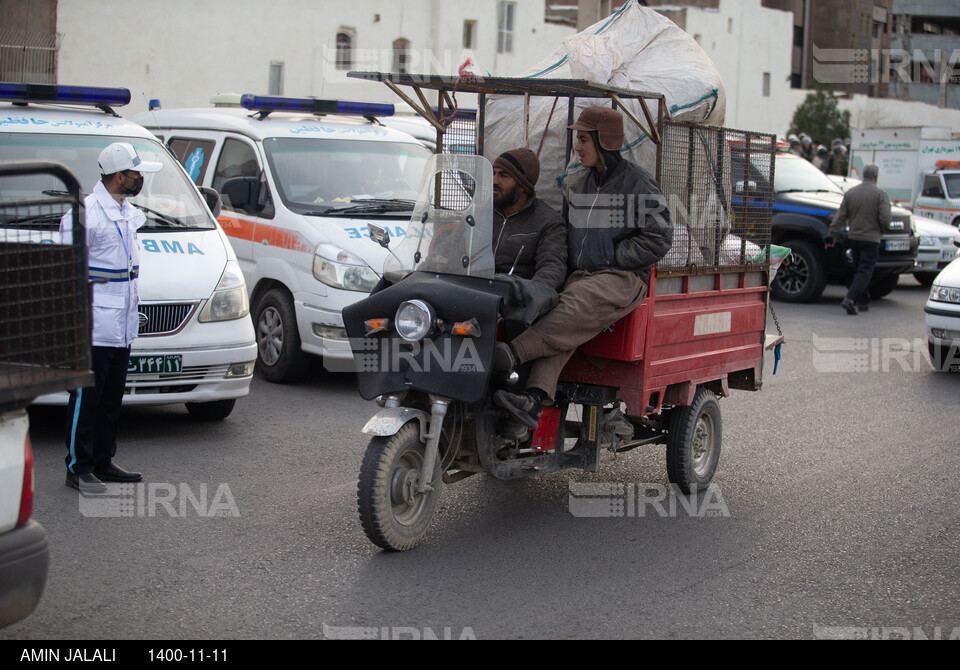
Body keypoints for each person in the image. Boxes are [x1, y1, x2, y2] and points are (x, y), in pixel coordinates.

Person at [493, 107, 673, 438]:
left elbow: (660, 236)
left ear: (605, 141)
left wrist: (617, 255)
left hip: (622, 278)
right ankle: (533, 400)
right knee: (562, 324)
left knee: (567, 310)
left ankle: (512, 353)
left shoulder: (637, 183)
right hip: (584, 277)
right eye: (578, 138)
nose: (577, 146)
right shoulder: (582, 184)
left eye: (584, 138)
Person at [60, 142, 161, 494]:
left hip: (122, 322)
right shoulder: (86, 213)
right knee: (87, 398)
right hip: (94, 324)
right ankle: (79, 467)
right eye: (136, 173)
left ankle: (103, 460)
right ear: (119, 176)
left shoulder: (125, 210)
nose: (140, 178)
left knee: (110, 398)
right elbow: (67, 272)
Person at [492, 148, 567, 289]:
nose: (494, 180)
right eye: (493, 173)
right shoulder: (481, 212)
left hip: (515, 298)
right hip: (475, 291)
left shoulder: (549, 222)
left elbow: (551, 272)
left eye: (503, 175)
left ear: (522, 185)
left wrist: (524, 299)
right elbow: (451, 249)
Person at [825, 163, 890, 315]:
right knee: (865, 270)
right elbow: (885, 218)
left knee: (858, 269)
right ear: (876, 177)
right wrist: (882, 230)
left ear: (862, 176)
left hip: (854, 237)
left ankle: (863, 301)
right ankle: (850, 299)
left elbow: (840, 216)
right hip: (871, 239)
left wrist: (832, 234)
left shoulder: (851, 193)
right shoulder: (881, 195)